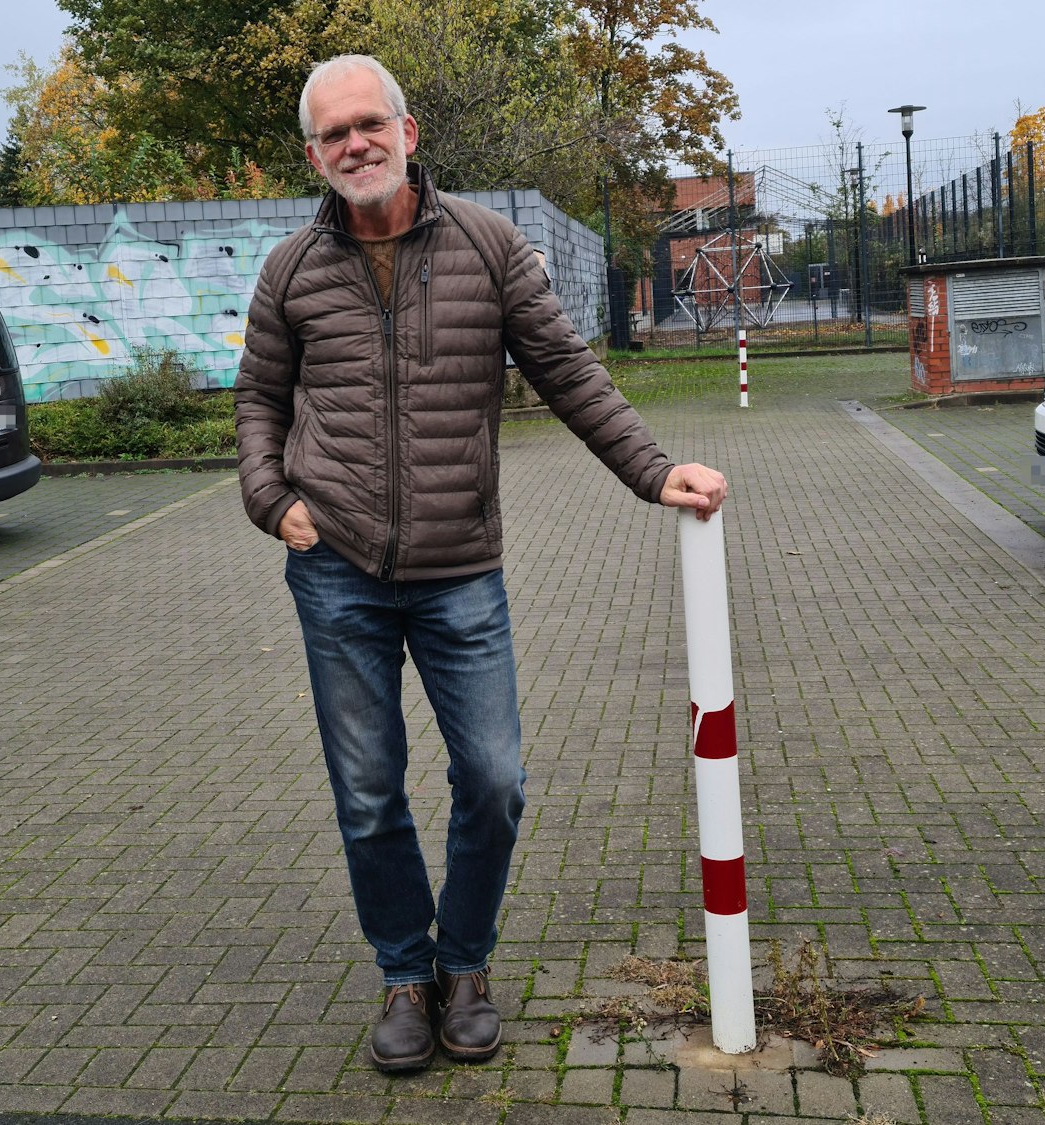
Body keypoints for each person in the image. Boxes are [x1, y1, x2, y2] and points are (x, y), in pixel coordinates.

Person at [235, 54, 728, 1074]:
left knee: (494, 782)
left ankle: (465, 964)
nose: (354, 144)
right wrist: (271, 501)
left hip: (461, 568)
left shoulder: (488, 246)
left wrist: (651, 471)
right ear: (313, 154)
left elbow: (566, 372)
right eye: (333, 134)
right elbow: (255, 403)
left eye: (369, 123)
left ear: (408, 132)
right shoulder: (288, 269)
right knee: (368, 793)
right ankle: (405, 982)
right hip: (333, 571)